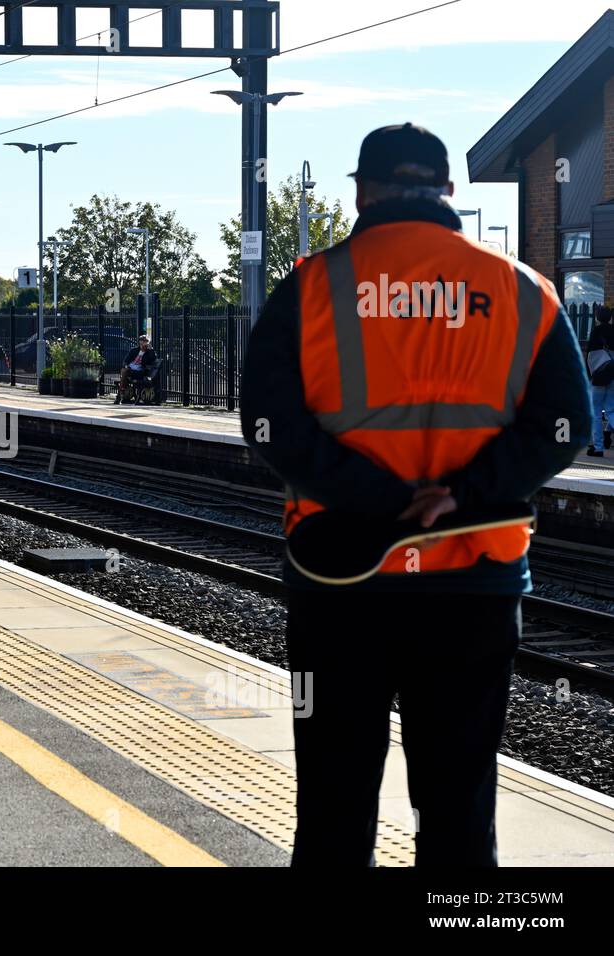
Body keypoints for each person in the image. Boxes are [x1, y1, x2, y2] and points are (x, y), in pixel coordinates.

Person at [240, 123, 590, 867]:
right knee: (460, 802)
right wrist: (457, 496)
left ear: (362, 192)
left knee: (334, 799)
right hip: (474, 583)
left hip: (341, 582)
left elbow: (267, 423)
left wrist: (376, 501)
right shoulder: (524, 292)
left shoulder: (311, 287)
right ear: (450, 193)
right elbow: (565, 427)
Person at [586, 304, 614, 456]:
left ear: (597, 317)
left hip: (598, 376)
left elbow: (590, 355)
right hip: (612, 374)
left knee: (596, 413)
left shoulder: (596, 332)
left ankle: (598, 447)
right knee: (611, 409)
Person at [115, 335, 156, 404]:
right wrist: (126, 366)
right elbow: (126, 361)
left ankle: (119, 395)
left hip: (139, 372)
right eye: (143, 341)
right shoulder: (134, 350)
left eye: (146, 341)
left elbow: (152, 360)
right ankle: (120, 394)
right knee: (125, 370)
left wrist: (151, 350)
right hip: (130, 369)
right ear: (140, 342)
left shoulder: (149, 352)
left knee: (124, 372)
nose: (144, 343)